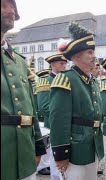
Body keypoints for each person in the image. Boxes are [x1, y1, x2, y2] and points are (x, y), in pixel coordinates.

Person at [49, 22, 104, 180]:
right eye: (89, 52)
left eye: (93, 51)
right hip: (75, 148)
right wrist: (61, 153)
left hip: (92, 143)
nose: (94, 56)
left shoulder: (92, 81)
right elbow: (58, 119)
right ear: (76, 56)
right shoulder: (66, 79)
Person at [1, 0, 46, 179]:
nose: (11, 10)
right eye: (3, 4)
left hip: (25, 156)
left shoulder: (19, 61)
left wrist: (37, 145)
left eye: (12, 5)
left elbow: (29, 108)